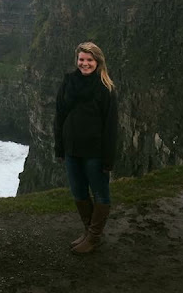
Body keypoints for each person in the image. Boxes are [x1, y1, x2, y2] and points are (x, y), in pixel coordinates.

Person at [54, 41, 118, 254]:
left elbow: (110, 126)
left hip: (95, 151)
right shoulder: (68, 82)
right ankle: (88, 232)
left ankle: (94, 237)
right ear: (77, 60)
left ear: (98, 62)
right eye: (82, 59)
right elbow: (60, 115)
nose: (85, 63)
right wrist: (59, 147)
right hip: (72, 148)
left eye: (89, 60)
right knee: (79, 191)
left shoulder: (105, 88)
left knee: (100, 193)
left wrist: (108, 158)